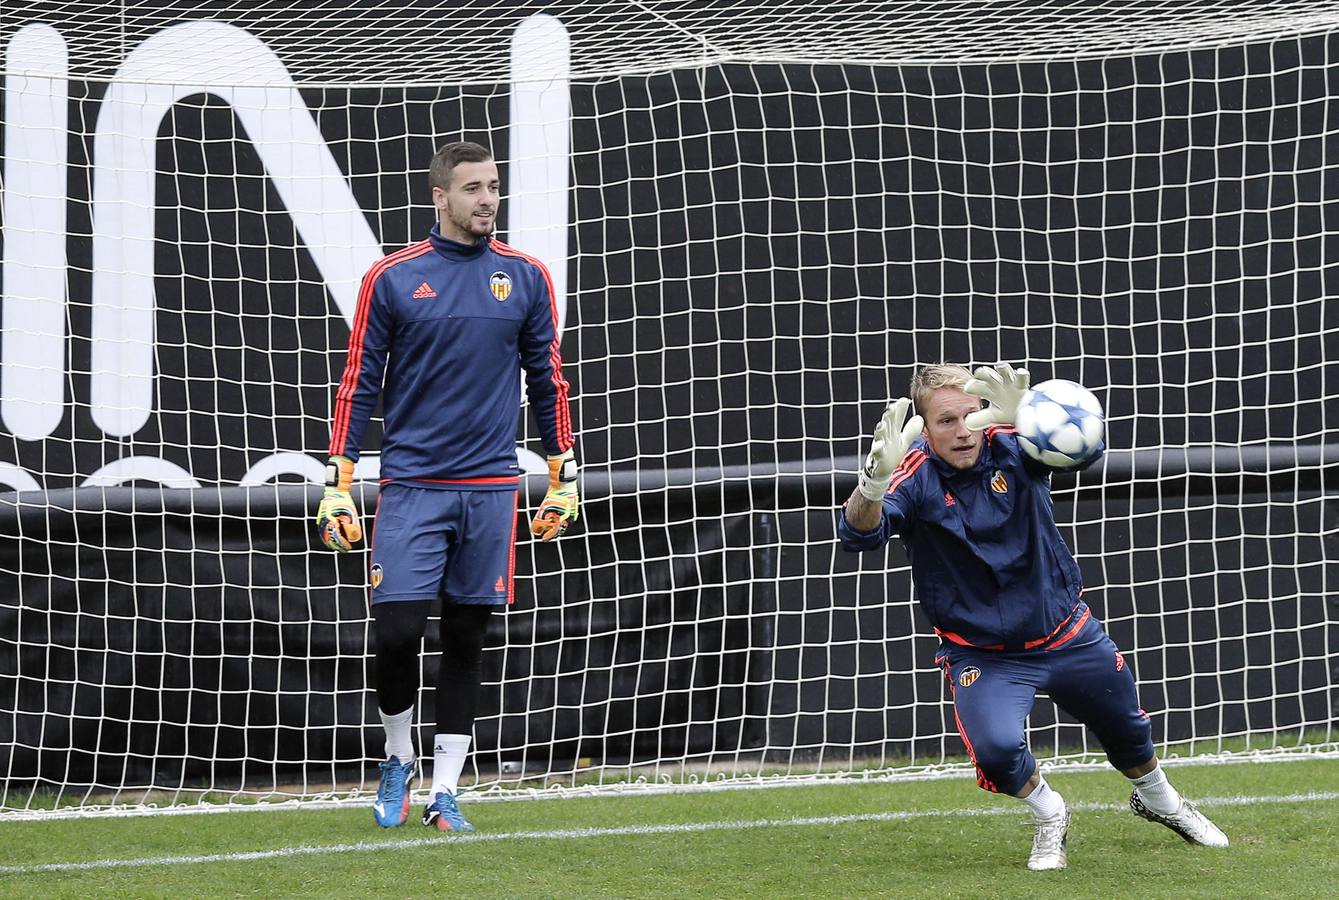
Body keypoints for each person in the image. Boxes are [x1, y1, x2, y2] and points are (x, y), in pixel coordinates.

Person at [838, 363, 1227, 870]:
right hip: (983, 653)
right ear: (925, 429)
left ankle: (1159, 800)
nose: (962, 431)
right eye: (946, 421)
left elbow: (1084, 453)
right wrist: (871, 484)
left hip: (1065, 632)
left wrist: (1029, 416)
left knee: (1128, 731)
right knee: (997, 752)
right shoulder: (911, 475)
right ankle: (1050, 812)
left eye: (971, 415)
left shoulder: (1012, 442)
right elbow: (858, 536)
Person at [315, 140, 578, 832]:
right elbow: (358, 382)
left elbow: (548, 380)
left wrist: (562, 475)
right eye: (472, 188)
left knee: (467, 639)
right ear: (440, 196)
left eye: (493, 186)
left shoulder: (524, 277)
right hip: (413, 486)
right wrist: (338, 481)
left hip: (491, 489)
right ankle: (396, 758)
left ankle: (445, 792)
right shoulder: (393, 278)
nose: (487, 199)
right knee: (397, 634)